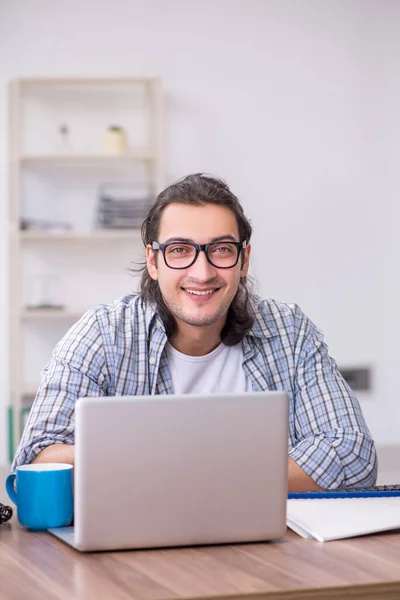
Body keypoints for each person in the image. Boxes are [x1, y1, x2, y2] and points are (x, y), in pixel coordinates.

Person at [12, 174, 377, 491]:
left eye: (220, 250)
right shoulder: (103, 334)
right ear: (153, 261)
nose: (201, 273)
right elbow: (37, 458)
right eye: (180, 250)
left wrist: (175, 473)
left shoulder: (291, 331)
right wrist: (219, 474)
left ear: (243, 260)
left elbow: (353, 453)